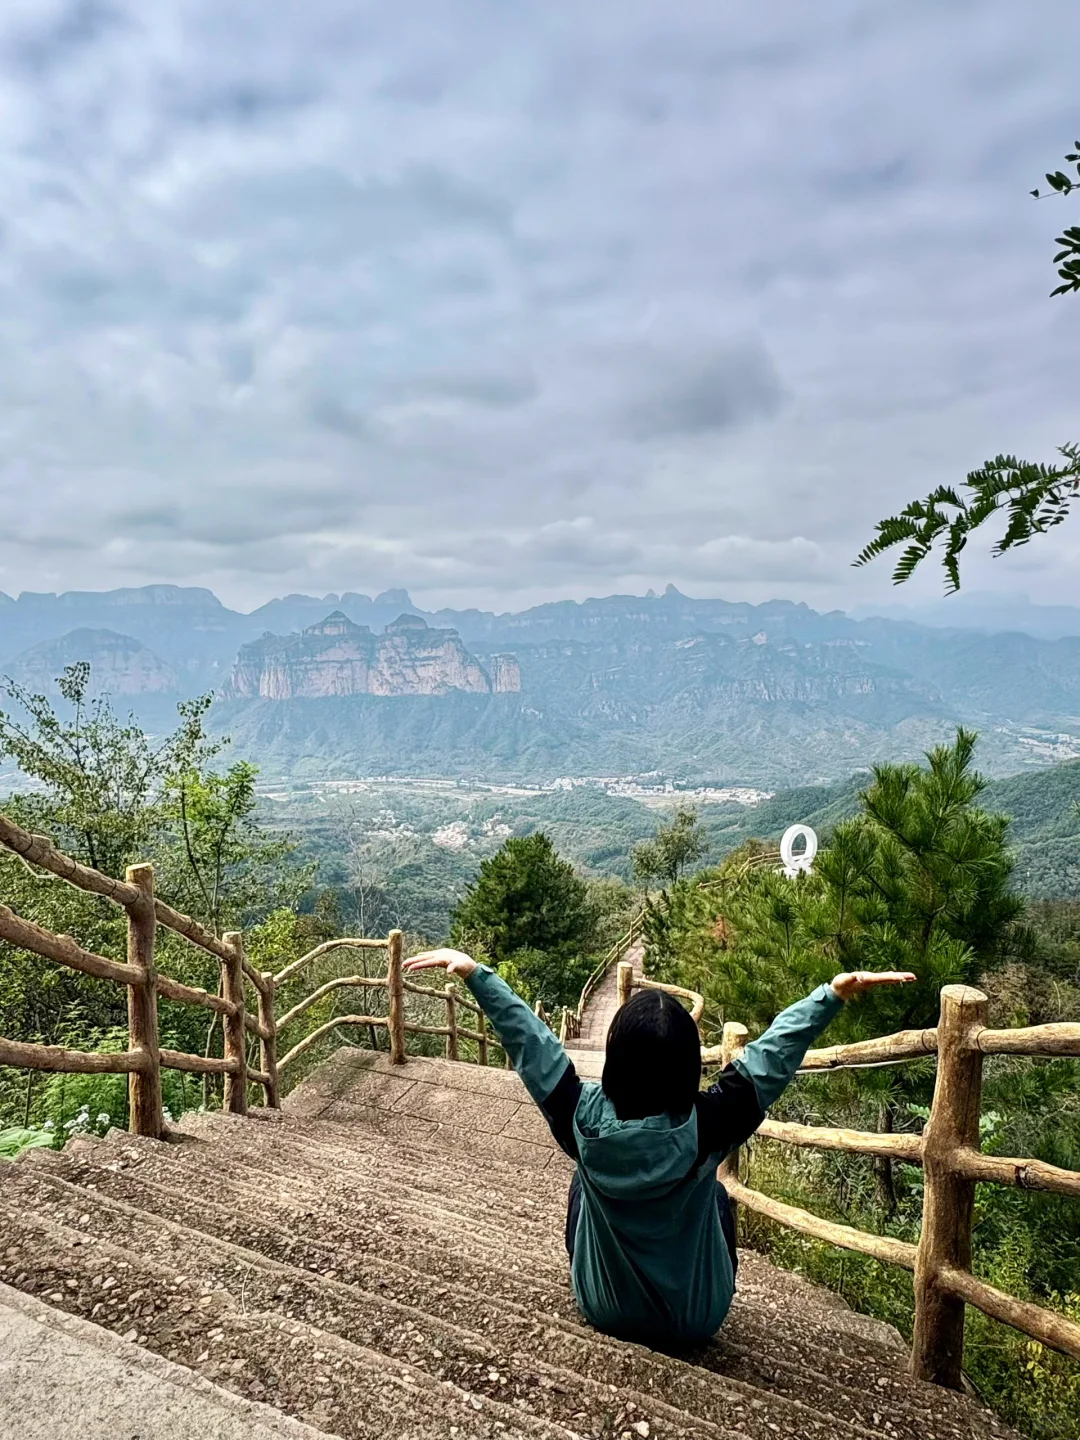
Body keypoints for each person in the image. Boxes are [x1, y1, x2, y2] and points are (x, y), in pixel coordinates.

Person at [403, 946, 914, 1347]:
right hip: (697, 1319)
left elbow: (532, 1044)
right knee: (717, 1195)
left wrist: (477, 975)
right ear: (688, 1065)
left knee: (583, 1182)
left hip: (602, 1308)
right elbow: (770, 1057)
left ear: (615, 1057)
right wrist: (830, 995)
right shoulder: (711, 1126)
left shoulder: (577, 1118)